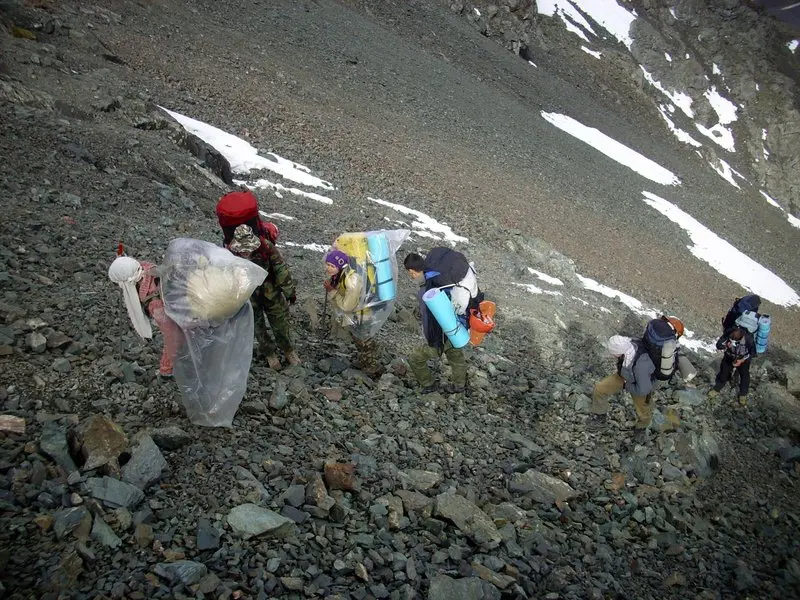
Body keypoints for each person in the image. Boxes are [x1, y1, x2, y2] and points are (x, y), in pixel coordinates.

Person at [217, 192, 299, 370]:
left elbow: (280, 269)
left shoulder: (265, 247)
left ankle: (288, 350)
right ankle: (269, 353)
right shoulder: (229, 254)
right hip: (247, 296)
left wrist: (289, 291)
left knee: (280, 322)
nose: (246, 253)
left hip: (271, 290)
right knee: (257, 327)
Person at [403, 248, 479, 394]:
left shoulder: (429, 288)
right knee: (456, 358)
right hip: (455, 329)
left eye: (410, 273)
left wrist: (435, 341)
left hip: (440, 336)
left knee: (415, 359)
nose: (411, 276)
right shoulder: (440, 278)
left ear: (412, 271)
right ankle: (460, 386)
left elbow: (432, 318)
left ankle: (428, 384)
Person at [108, 255, 182, 378]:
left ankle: (170, 369)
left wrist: (166, 368)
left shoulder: (154, 301)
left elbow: (173, 335)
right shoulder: (147, 269)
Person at [324, 249, 383, 377]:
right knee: (358, 338)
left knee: (363, 340)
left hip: (362, 315)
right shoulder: (340, 274)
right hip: (356, 314)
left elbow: (347, 306)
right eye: (327, 264)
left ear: (341, 266)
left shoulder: (352, 279)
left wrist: (332, 291)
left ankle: (373, 368)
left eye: (332, 266)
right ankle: (365, 361)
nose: (329, 268)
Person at [588, 335, 657, 436]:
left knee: (643, 410)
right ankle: (600, 416)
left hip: (640, 384)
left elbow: (643, 389)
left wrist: (626, 386)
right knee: (600, 389)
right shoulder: (627, 347)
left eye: (613, 353)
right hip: (625, 375)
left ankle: (641, 428)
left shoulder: (641, 364)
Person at [708, 324, 756, 405]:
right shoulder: (728, 333)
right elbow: (718, 345)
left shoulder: (748, 338)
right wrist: (725, 345)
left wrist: (742, 360)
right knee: (724, 372)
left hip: (742, 358)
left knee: (744, 375)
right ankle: (718, 387)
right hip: (729, 356)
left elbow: (753, 353)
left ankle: (743, 394)